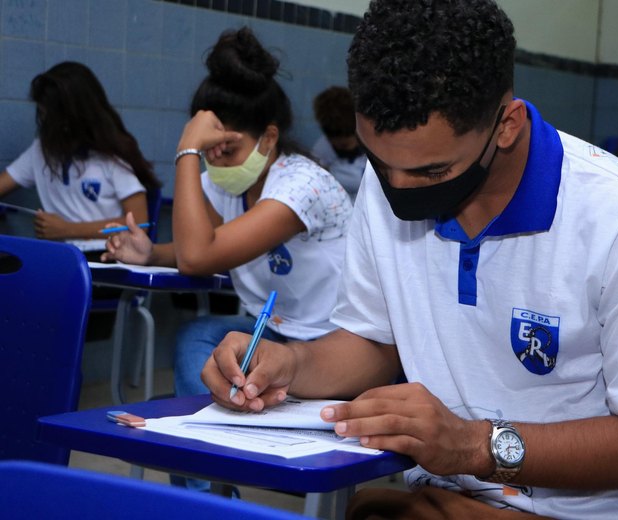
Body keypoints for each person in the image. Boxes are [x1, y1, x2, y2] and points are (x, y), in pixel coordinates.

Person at [201, 2, 618, 518]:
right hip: (452, 496)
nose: (398, 189)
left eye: (433, 172)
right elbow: (374, 342)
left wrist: (474, 446)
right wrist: (291, 363)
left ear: (505, 126)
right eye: (380, 161)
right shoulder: (394, 174)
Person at [102, 27, 352, 490]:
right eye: (209, 153)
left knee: (207, 342)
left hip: (335, 346)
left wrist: (188, 150)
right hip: (273, 333)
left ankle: (210, 475)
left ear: (269, 138)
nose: (216, 163)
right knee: (196, 339)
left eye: (226, 150)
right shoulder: (230, 183)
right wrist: (150, 252)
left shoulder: (302, 185)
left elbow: (199, 257)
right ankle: (209, 484)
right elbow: (205, 245)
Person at [0, 61, 159, 255]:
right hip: (61, 255)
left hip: (104, 254)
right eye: (42, 113)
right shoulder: (42, 150)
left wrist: (67, 229)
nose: (45, 123)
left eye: (50, 115)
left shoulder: (111, 157)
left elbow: (140, 223)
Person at [310, 86, 366, 201]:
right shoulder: (322, 150)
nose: (346, 149)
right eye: (339, 146)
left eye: (347, 144)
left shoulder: (373, 146)